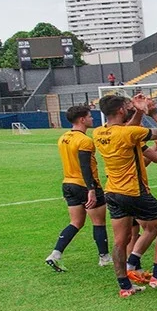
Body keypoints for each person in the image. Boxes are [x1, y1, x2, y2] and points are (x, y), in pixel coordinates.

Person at [91, 93, 157, 297]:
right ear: (122, 110)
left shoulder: (98, 132)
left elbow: (127, 130)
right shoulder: (129, 133)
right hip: (134, 191)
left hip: (112, 192)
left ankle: (124, 286)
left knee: (120, 241)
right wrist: (154, 113)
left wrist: (139, 111)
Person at [45, 104, 112, 272]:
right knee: (98, 222)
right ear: (82, 119)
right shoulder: (85, 141)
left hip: (68, 183)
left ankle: (55, 254)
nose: (92, 119)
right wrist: (91, 190)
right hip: (85, 184)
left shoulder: (63, 137)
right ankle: (104, 257)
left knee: (76, 222)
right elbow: (85, 167)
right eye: (89, 116)